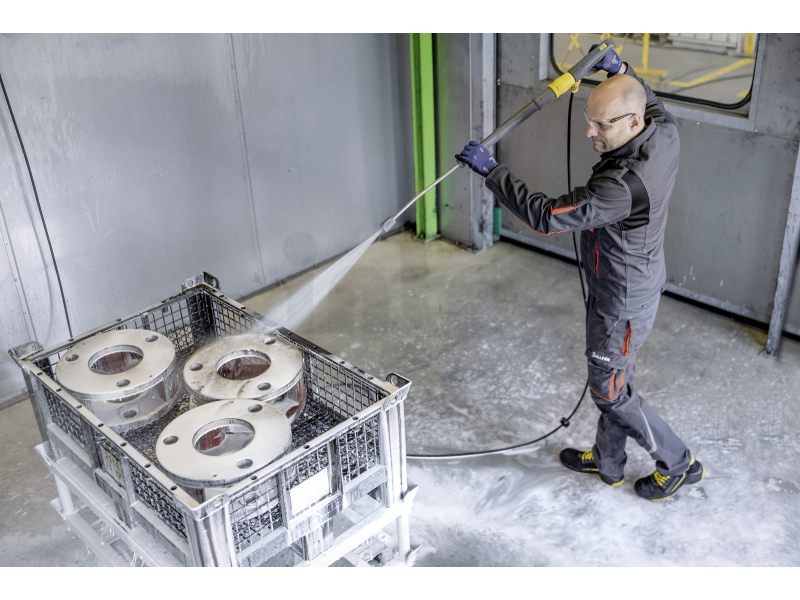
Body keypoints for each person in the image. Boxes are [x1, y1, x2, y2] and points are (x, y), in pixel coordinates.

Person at [455, 48, 705, 501]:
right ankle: (609, 462)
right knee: (616, 380)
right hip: (633, 283)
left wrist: (492, 172)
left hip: (620, 301)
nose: (590, 132)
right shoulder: (663, 131)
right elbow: (648, 97)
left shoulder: (620, 187)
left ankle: (678, 462)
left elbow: (547, 215)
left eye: (601, 125)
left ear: (632, 122)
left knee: (610, 393)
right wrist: (622, 70)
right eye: (590, 121)